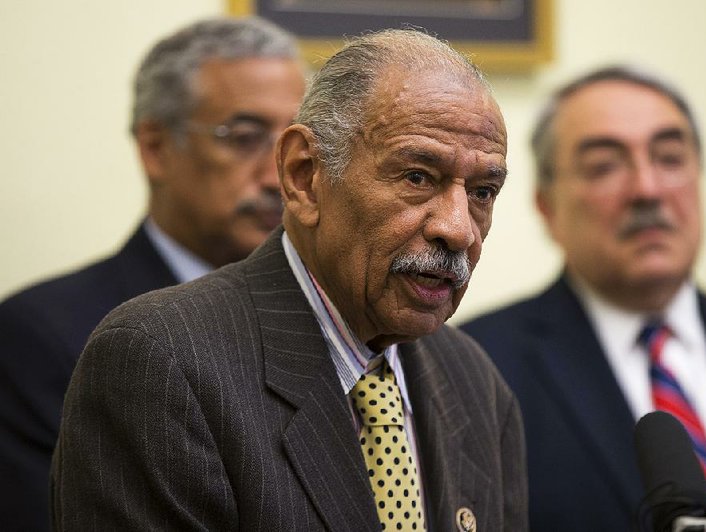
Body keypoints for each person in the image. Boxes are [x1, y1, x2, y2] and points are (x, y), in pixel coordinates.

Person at [50, 28, 527, 531]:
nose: (456, 229)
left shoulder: (475, 382)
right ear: (304, 175)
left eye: (482, 191)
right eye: (417, 177)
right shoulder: (161, 362)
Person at [462, 65, 706, 531]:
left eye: (670, 157)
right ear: (546, 205)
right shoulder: (476, 368)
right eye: (604, 166)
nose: (648, 189)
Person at [0, 17, 305, 531]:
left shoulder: (332, 322)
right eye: (245, 137)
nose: (279, 175)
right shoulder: (42, 336)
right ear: (156, 148)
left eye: (296, 144)